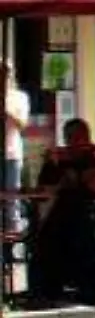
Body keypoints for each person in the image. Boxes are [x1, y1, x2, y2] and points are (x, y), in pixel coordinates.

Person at [2, 59, 27, 233]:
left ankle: (13, 233)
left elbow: (23, 123)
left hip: (11, 152)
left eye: (7, 72)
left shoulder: (19, 97)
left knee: (12, 196)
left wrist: (7, 110)